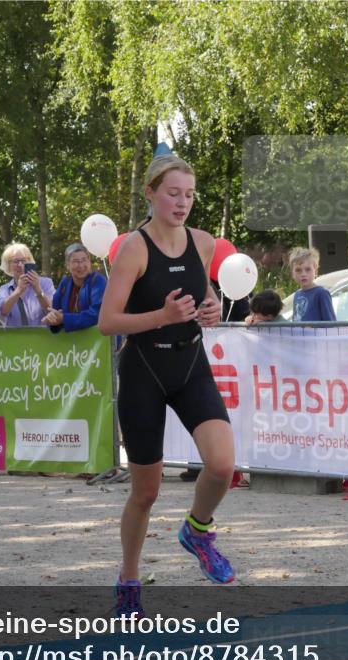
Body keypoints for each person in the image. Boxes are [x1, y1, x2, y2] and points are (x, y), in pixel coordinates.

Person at [99, 154, 236, 617]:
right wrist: (161, 316)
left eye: (190, 195)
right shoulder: (133, 250)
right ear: (152, 194)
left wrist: (211, 308)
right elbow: (107, 322)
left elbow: (204, 295)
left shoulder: (203, 242)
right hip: (143, 371)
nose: (183, 203)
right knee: (146, 493)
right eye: (174, 193)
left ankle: (197, 531)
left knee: (222, 466)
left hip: (191, 364)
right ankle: (129, 580)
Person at [44, 242, 107, 333]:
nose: (80, 265)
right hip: (72, 344)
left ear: (89, 262)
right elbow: (56, 311)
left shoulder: (98, 281)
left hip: (98, 343)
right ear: (68, 266)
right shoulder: (65, 283)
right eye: (75, 261)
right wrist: (53, 318)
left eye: (84, 260)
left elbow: (96, 315)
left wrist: (64, 318)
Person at [0, 242, 56, 327]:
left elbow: (53, 310)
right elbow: (2, 312)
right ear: (8, 265)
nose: (20, 265)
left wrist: (38, 291)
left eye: (23, 261)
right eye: (16, 261)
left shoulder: (46, 283)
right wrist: (18, 291)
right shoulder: (4, 289)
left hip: (43, 337)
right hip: (16, 338)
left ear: (30, 262)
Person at [288, 247, 336, 322]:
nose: (303, 274)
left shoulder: (322, 293)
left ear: (316, 271)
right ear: (292, 273)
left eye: (308, 269)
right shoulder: (297, 295)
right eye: (298, 270)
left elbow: (331, 324)